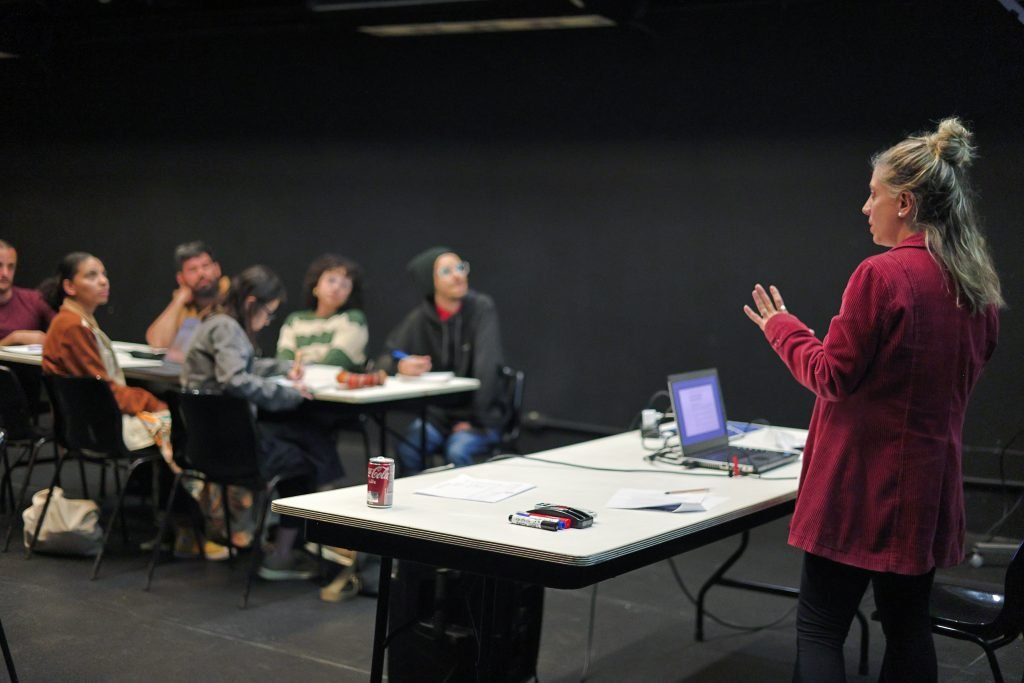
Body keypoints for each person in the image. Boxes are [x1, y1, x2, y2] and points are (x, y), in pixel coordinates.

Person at [743, 118, 1002, 682]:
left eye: (874, 194)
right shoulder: (976, 288)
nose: (866, 207)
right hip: (926, 493)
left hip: (859, 490)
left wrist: (782, 327)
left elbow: (831, 375)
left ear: (905, 202)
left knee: (819, 628)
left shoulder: (881, 276)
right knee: (908, 628)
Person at [181, 265, 343, 581]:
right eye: (268, 313)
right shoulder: (228, 329)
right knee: (310, 452)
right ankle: (286, 553)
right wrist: (290, 394)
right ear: (252, 302)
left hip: (207, 446)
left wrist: (283, 369)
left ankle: (297, 541)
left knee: (306, 442)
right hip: (234, 449)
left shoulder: (216, 324)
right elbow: (236, 379)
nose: (267, 321)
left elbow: (244, 366)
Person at [377, 247, 507, 474]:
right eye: (447, 271)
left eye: (460, 267)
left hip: (480, 419)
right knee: (408, 449)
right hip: (438, 417)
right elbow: (387, 356)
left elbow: (487, 370)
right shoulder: (421, 318)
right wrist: (401, 364)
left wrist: (476, 421)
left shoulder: (481, 309)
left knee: (458, 450)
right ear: (431, 281)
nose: (458, 275)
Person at [40, 252, 175, 469]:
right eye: (91, 276)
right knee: (183, 424)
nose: (103, 281)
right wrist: (152, 402)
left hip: (87, 424)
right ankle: (185, 499)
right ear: (70, 286)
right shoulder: (73, 327)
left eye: (104, 274)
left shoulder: (73, 322)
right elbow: (105, 392)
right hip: (101, 427)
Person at [276, 253, 368, 370]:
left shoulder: (353, 319)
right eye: (331, 280)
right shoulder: (295, 320)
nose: (336, 288)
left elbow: (332, 364)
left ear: (350, 295)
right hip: (294, 384)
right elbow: (284, 363)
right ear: (316, 284)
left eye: (344, 285)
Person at [145, 241, 228, 351]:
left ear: (217, 269)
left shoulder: (232, 298)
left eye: (206, 266)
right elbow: (158, 344)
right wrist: (178, 301)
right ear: (181, 278)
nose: (201, 273)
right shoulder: (184, 305)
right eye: (193, 270)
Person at [0, 239, 55, 346]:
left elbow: (66, 332)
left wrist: (48, 339)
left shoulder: (33, 299)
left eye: (11, 266)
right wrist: (12, 340)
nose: (5, 273)